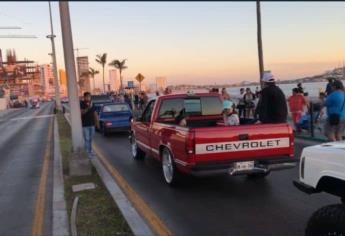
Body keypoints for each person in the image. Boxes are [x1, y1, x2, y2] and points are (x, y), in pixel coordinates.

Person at [80, 92, 99, 157]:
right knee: (87, 139)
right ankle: (87, 153)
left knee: (91, 139)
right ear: (84, 97)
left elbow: (95, 113)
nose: (88, 98)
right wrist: (88, 108)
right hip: (85, 125)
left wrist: (97, 123)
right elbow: (82, 112)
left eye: (89, 97)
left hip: (92, 124)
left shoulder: (92, 103)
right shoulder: (82, 103)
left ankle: (90, 151)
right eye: (87, 97)